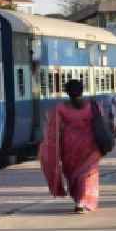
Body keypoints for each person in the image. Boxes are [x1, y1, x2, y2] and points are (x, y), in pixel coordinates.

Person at [40, 79, 103, 213]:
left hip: (69, 147)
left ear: (67, 92)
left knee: (73, 174)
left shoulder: (60, 108)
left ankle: (78, 199)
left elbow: (53, 130)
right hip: (90, 146)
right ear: (82, 90)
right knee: (88, 174)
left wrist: (50, 150)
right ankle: (83, 201)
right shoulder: (92, 106)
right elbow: (101, 124)